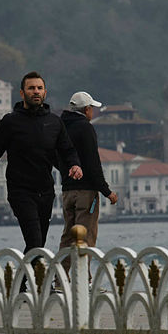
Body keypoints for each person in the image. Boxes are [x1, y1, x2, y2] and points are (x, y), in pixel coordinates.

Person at [0, 71, 83, 255]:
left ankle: (25, 283)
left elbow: (68, 149)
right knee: (34, 240)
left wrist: (75, 164)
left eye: (39, 88)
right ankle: (32, 283)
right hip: (20, 191)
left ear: (45, 93)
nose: (36, 92)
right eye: (31, 88)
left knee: (38, 244)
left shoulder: (54, 122)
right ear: (22, 93)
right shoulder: (9, 122)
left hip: (46, 191)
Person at [57, 91, 118, 271]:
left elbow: (56, 156)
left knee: (69, 235)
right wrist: (107, 191)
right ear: (87, 109)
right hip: (86, 192)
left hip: (67, 190)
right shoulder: (85, 127)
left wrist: (66, 172)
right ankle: (83, 280)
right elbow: (93, 163)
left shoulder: (61, 127)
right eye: (92, 109)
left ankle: (62, 277)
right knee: (86, 235)